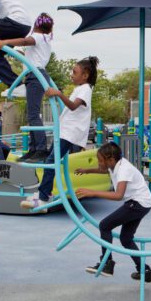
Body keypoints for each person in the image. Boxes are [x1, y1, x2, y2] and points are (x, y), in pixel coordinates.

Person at [20, 56, 99, 212]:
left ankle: (43, 197)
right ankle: (44, 193)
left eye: (74, 72)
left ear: (85, 75)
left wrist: (58, 93)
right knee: (50, 161)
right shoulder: (80, 88)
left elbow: (73, 106)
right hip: (66, 131)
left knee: (51, 162)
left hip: (70, 133)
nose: (71, 74)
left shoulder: (85, 89)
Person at [75, 142, 151, 282]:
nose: (99, 163)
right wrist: (87, 170)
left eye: (100, 160)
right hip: (142, 203)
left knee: (105, 225)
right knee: (126, 239)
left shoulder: (124, 169)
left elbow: (118, 195)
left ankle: (107, 264)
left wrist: (92, 192)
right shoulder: (115, 165)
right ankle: (144, 270)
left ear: (110, 160)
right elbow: (104, 170)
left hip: (137, 203)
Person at [0, 12, 54, 162]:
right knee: (32, 114)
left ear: (36, 25)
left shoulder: (38, 37)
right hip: (34, 75)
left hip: (35, 75)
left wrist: (5, 41)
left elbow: (25, 41)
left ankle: (40, 149)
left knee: (33, 114)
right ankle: (34, 149)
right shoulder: (46, 39)